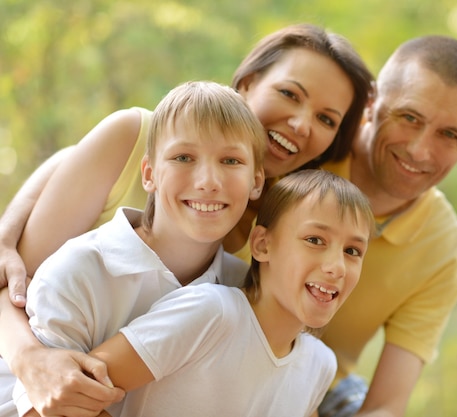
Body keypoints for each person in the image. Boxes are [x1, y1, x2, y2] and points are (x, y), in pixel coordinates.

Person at [0, 23, 373, 417]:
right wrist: (30, 360)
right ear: (247, 84)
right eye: (289, 94)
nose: (301, 124)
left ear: (255, 183)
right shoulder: (142, 135)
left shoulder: (271, 246)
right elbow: (16, 285)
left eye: (327, 119)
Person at [0, 79, 267, 416]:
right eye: (184, 157)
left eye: (230, 161)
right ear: (149, 173)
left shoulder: (244, 287)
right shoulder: (79, 269)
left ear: (256, 181)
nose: (207, 182)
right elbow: (55, 406)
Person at [84, 169, 373, 417]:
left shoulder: (320, 364)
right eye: (315, 240)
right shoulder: (211, 313)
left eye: (352, 251)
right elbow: (78, 389)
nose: (337, 267)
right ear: (262, 245)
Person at [316, 35, 457, 416]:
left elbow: (387, 405)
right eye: (410, 118)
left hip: (323, 388)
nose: (419, 150)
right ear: (371, 103)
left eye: (449, 134)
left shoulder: (443, 246)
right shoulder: (313, 147)